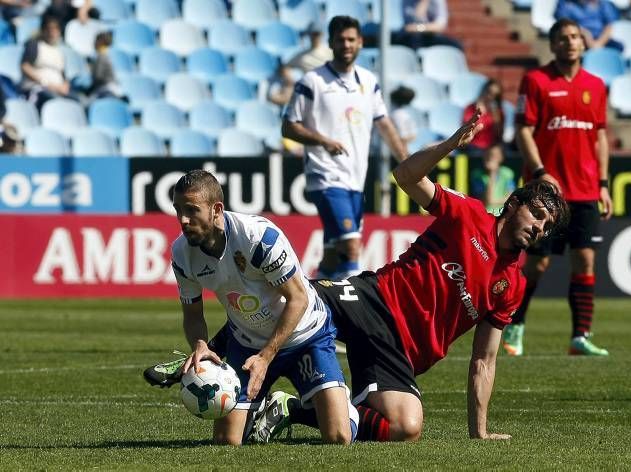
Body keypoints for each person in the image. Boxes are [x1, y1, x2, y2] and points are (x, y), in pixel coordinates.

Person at [144, 115, 571, 443]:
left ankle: (292, 410)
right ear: (514, 204)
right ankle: (205, 355)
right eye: (536, 214)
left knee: (406, 427)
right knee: (295, 294)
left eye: (547, 225)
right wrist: (448, 146)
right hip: (372, 299)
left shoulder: (511, 286)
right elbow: (405, 176)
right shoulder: (468, 214)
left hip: (403, 350)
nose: (539, 228)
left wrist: (478, 431)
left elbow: (485, 359)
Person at [157, 169, 359, 446]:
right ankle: (267, 409)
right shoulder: (182, 253)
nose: (183, 220)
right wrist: (201, 344)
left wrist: (266, 356)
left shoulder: (258, 237)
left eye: (192, 210)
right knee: (227, 441)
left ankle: (336, 407)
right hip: (246, 342)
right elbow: (192, 314)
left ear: (216, 209)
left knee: (338, 437)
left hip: (305, 336)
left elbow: (298, 298)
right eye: (178, 210)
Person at [505, 18, 613, 358]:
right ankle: (515, 325)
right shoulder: (536, 81)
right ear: (552, 45)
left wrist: (604, 184)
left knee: (585, 260)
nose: (570, 42)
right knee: (537, 265)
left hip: (585, 191)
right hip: (547, 193)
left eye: (576, 37)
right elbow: (524, 130)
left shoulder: (595, 85)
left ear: (583, 43)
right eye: (564, 38)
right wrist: (539, 171)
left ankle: (580, 336)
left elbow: (599, 137)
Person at [282, 16, 408, 281]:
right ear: (330, 43)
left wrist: (406, 161)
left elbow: (384, 124)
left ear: (360, 42)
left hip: (355, 179)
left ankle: (313, 301)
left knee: (332, 254)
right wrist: (323, 141)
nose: (346, 45)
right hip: (325, 175)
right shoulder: (312, 81)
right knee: (351, 248)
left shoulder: (368, 81)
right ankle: (356, 318)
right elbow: (288, 127)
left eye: (351, 39)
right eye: (340, 40)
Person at [20, 14, 75, 109]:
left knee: (78, 101)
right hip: (39, 89)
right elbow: (25, 66)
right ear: (43, 30)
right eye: (49, 29)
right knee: (55, 101)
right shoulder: (35, 45)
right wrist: (45, 83)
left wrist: (64, 87)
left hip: (58, 90)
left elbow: (64, 76)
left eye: (55, 29)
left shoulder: (60, 51)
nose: (52, 32)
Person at [392, 0, 463, 50]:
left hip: (431, 36)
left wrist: (419, 28)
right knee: (412, 38)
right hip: (411, 37)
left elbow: (440, 27)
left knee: (456, 45)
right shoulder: (407, 1)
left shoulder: (438, 1)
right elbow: (412, 23)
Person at [554, 0, 623, 50]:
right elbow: (565, 23)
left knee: (618, 47)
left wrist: (598, 43)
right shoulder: (564, 3)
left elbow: (609, 25)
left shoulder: (604, 3)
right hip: (578, 39)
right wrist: (586, 35)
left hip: (601, 39)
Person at [470, 144, 517, 216]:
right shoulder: (477, 175)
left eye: (493, 155)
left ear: (501, 158)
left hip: (503, 215)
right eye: (487, 154)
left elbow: (510, 198)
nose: (489, 158)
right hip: (485, 214)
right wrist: (492, 174)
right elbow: (486, 201)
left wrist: (493, 201)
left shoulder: (507, 173)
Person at [462, 79, 505, 157]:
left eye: (495, 96)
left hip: (490, 148)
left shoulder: (498, 112)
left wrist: (496, 116)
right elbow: (465, 128)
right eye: (489, 92)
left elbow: (499, 135)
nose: (490, 96)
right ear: (483, 90)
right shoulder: (471, 108)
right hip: (472, 147)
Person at [88, 31, 121, 99]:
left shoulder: (102, 56)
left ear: (100, 43)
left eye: (96, 41)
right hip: (112, 87)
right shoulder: (106, 54)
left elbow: (98, 77)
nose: (94, 43)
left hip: (107, 88)